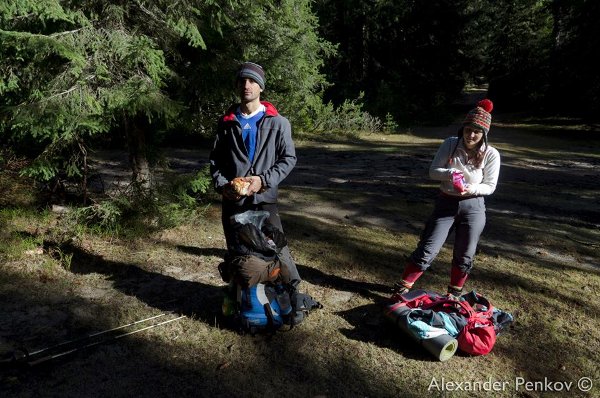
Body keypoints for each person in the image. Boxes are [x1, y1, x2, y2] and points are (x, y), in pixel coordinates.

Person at [395, 99, 500, 297]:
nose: (471, 135)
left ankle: (454, 294)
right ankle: (402, 288)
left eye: (477, 132)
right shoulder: (451, 144)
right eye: (468, 129)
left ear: (484, 133)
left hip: (474, 207)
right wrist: (450, 174)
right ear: (463, 128)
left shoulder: (491, 154)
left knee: (465, 254)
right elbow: (433, 171)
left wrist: (471, 188)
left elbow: (490, 186)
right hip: (446, 203)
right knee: (428, 247)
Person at [209, 61, 301, 287]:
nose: (246, 85)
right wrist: (223, 186)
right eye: (242, 81)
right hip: (234, 202)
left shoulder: (279, 123)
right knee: (238, 252)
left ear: (261, 87)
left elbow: (288, 158)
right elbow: (215, 161)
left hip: (264, 200)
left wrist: (263, 180)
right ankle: (241, 300)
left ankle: (288, 295)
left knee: (276, 249)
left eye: (252, 81)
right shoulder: (227, 123)